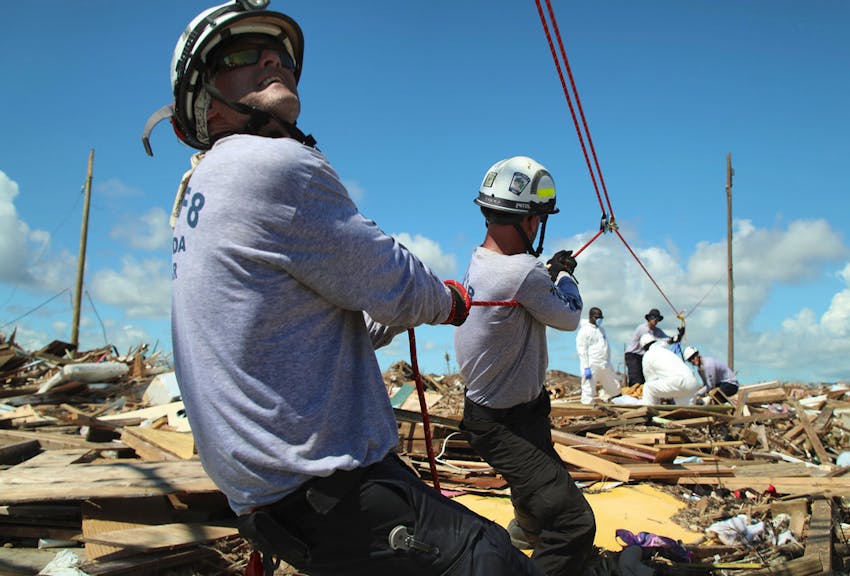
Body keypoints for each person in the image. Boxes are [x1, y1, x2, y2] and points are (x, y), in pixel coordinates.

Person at [145, 2, 540, 575]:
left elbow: (303, 325)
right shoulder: (276, 165)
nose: (273, 61)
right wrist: (448, 301)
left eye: (280, 56)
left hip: (268, 501)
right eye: (243, 54)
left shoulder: (201, 189)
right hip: (327, 489)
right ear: (204, 97)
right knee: (492, 559)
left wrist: (394, 314)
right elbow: (395, 281)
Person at [454, 156, 597, 576]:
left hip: (513, 413)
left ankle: (525, 536)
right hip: (501, 424)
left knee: (535, 492)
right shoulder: (523, 272)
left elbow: (524, 287)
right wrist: (564, 275)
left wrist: (547, 274)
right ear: (531, 221)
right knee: (573, 521)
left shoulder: (482, 260)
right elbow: (569, 316)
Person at [638, 333, 703, 406]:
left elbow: (651, 380)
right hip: (692, 383)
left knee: (648, 388)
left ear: (644, 348)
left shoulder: (648, 355)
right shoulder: (666, 351)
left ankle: (650, 412)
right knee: (685, 411)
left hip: (678, 382)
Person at [575, 307, 621, 404]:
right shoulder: (584, 331)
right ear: (591, 317)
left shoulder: (601, 330)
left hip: (605, 363)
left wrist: (608, 361)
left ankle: (618, 402)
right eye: (597, 317)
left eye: (600, 318)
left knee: (613, 385)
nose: (599, 320)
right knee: (589, 388)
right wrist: (586, 367)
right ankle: (587, 407)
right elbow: (582, 350)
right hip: (592, 364)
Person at [623, 308, 669, 386]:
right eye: (653, 317)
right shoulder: (643, 329)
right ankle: (633, 391)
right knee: (636, 379)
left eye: (657, 318)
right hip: (633, 355)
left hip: (643, 356)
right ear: (648, 318)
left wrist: (678, 336)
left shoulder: (657, 331)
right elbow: (655, 339)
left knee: (644, 379)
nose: (655, 320)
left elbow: (668, 339)